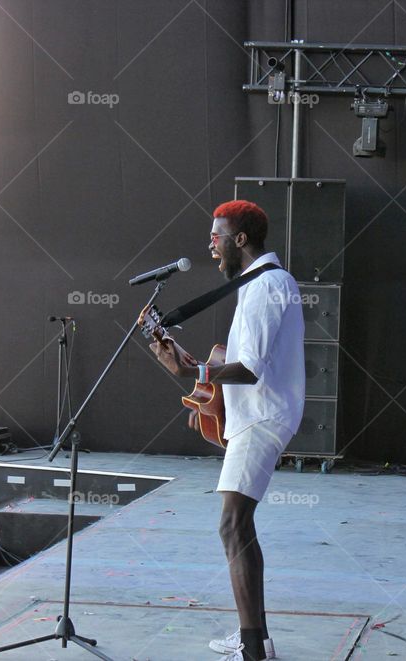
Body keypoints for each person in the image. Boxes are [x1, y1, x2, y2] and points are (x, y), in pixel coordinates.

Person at [148, 200, 305, 661]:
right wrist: (196, 373)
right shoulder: (264, 283)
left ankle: (253, 649)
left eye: (216, 237)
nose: (210, 246)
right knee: (238, 526)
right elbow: (236, 365)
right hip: (258, 415)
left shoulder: (265, 286)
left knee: (233, 526)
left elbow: (250, 369)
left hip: (262, 417)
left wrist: (192, 374)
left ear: (240, 240)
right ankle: (255, 639)